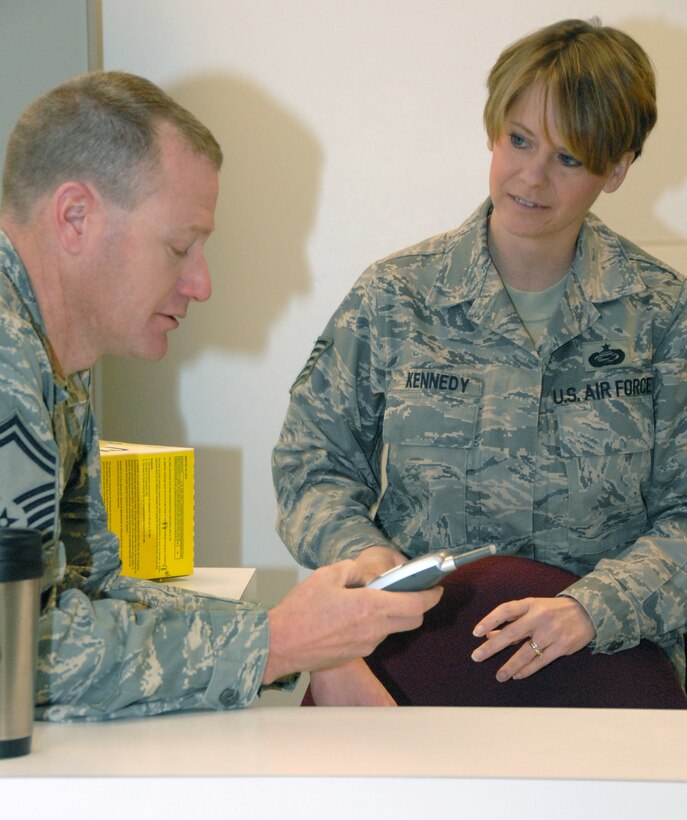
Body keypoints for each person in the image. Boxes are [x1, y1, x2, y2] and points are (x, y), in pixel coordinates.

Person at [0, 71, 442, 721]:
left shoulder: (50, 359)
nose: (201, 283)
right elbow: (15, 654)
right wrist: (276, 643)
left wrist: (307, 640)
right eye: (180, 247)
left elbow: (88, 592)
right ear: (75, 217)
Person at [272, 18, 687, 706]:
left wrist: (595, 608)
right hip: (409, 664)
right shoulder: (396, 295)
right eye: (518, 141)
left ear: (615, 169)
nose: (531, 176)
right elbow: (310, 464)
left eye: (569, 158)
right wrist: (364, 555)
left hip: (605, 670)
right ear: (492, 131)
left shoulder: (662, 316)